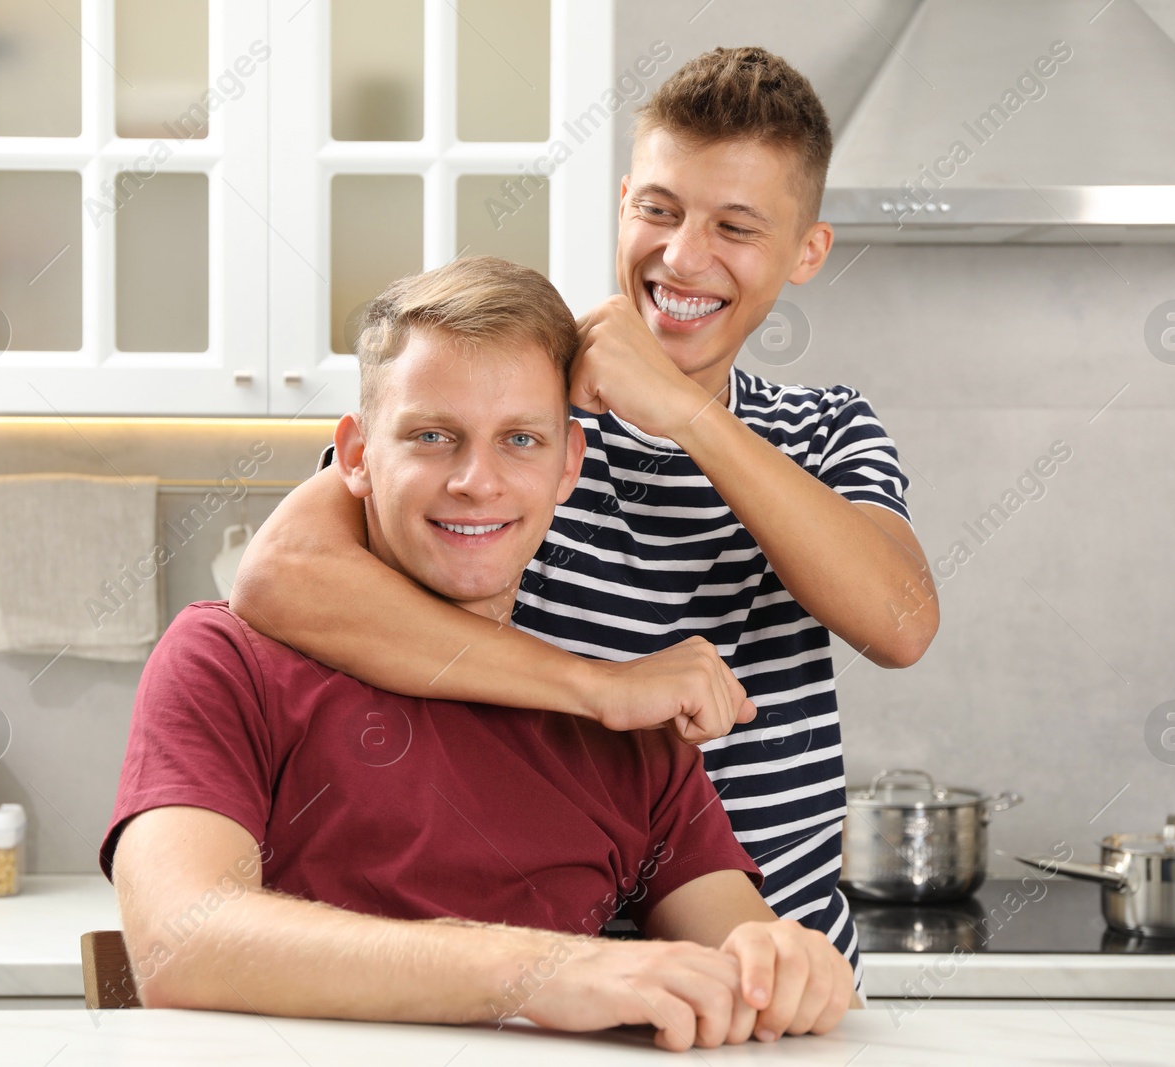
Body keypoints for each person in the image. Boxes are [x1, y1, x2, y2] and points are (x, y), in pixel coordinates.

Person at [230, 47, 939, 993]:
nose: (683, 256)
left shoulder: (823, 431)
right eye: (659, 209)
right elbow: (279, 577)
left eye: (736, 225)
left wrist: (689, 414)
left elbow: (899, 622)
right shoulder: (518, 407)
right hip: (541, 968)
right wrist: (601, 686)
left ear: (807, 250)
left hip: (769, 971)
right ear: (623, 203)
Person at [101, 257, 856, 1052]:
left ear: (568, 465)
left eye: (520, 440)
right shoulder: (226, 661)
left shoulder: (629, 728)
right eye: (433, 436)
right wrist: (542, 970)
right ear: (355, 455)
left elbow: (747, 958)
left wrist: (788, 963)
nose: (476, 481)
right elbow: (177, 941)